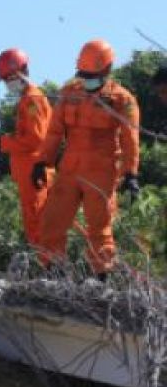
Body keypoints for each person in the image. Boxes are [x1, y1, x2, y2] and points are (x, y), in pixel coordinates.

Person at [34, 39, 140, 278]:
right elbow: (54, 131)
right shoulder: (70, 93)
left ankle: (101, 278)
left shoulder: (123, 101)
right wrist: (42, 162)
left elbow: (129, 138)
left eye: (92, 74)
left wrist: (130, 174)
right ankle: (53, 272)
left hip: (102, 172)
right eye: (84, 74)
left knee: (99, 229)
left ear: (107, 70)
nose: (87, 78)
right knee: (52, 222)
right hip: (69, 170)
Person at [0, 48, 53, 246]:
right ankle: (48, 266)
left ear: (22, 71)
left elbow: (35, 140)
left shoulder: (32, 100)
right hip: (30, 171)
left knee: (39, 222)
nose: (7, 84)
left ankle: (50, 267)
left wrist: (1, 141)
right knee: (36, 222)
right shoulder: (28, 99)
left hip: (34, 171)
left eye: (8, 79)